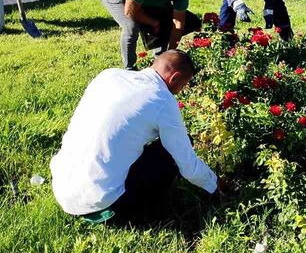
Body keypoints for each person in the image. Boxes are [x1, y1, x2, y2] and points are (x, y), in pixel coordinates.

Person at [50, 50, 221, 223]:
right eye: (183, 85)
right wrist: (217, 185)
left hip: (63, 189)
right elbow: (188, 165)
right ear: (174, 78)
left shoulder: (108, 76)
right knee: (169, 154)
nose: (181, 91)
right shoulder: (162, 100)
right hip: (104, 204)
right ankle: (149, 210)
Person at [96, 0, 201, 70]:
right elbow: (130, 12)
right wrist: (152, 22)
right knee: (131, 26)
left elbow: (178, 23)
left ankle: (158, 63)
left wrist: (169, 53)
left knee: (165, 20)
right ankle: (130, 69)